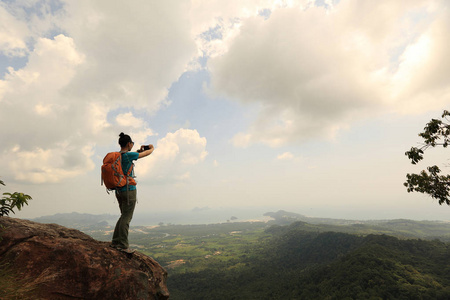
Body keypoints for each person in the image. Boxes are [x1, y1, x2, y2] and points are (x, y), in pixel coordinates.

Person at [110, 132, 154, 254]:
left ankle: (115, 242)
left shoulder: (118, 156)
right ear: (129, 144)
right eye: (132, 144)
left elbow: (136, 155)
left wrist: (138, 151)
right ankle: (123, 245)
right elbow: (147, 153)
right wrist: (151, 148)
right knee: (126, 217)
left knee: (123, 215)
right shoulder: (129, 155)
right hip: (129, 190)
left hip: (118, 191)